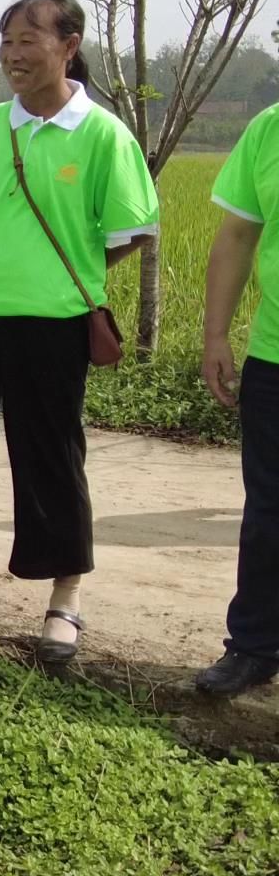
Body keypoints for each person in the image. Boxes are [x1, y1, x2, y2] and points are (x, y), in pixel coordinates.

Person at [0, 0, 158, 662]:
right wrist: (0, 259)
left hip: (54, 318)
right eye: (7, 41)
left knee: (50, 454)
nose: (15, 54)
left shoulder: (103, 134)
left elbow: (130, 231)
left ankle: (64, 599)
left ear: (69, 45)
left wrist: (62, 271)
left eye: (30, 40)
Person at [195, 101, 279, 696]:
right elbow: (237, 236)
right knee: (269, 512)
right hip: (275, 356)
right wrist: (217, 334)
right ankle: (254, 646)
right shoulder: (270, 128)